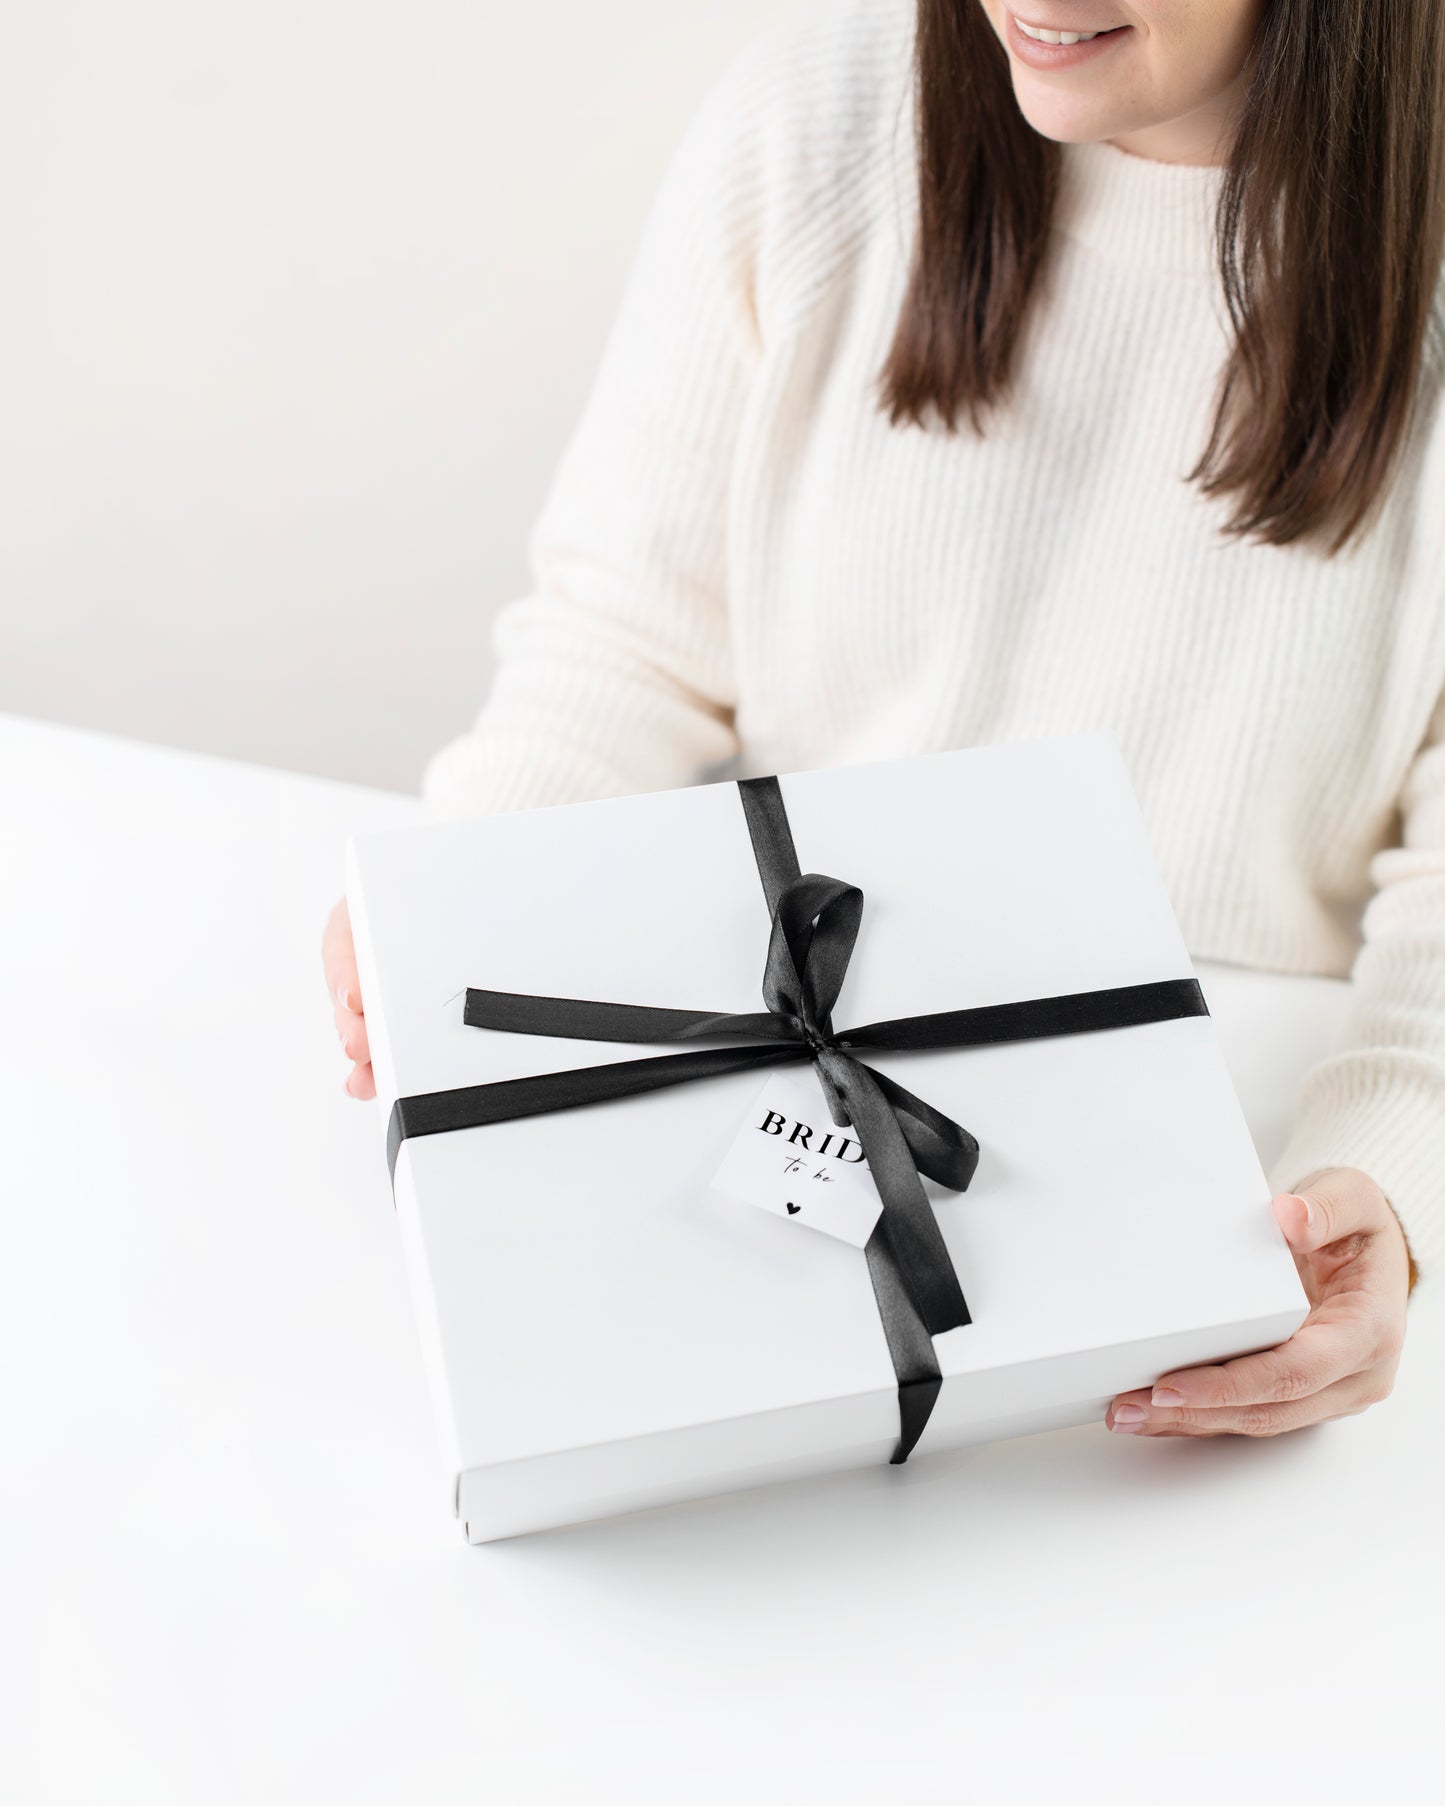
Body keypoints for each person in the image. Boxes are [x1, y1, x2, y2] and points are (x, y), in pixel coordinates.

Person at [323, 0, 1443, 1442]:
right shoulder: (817, 125)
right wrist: (456, 888)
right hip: (773, 1155)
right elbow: (627, 643)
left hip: (1218, 1209)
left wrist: (1390, 1177)